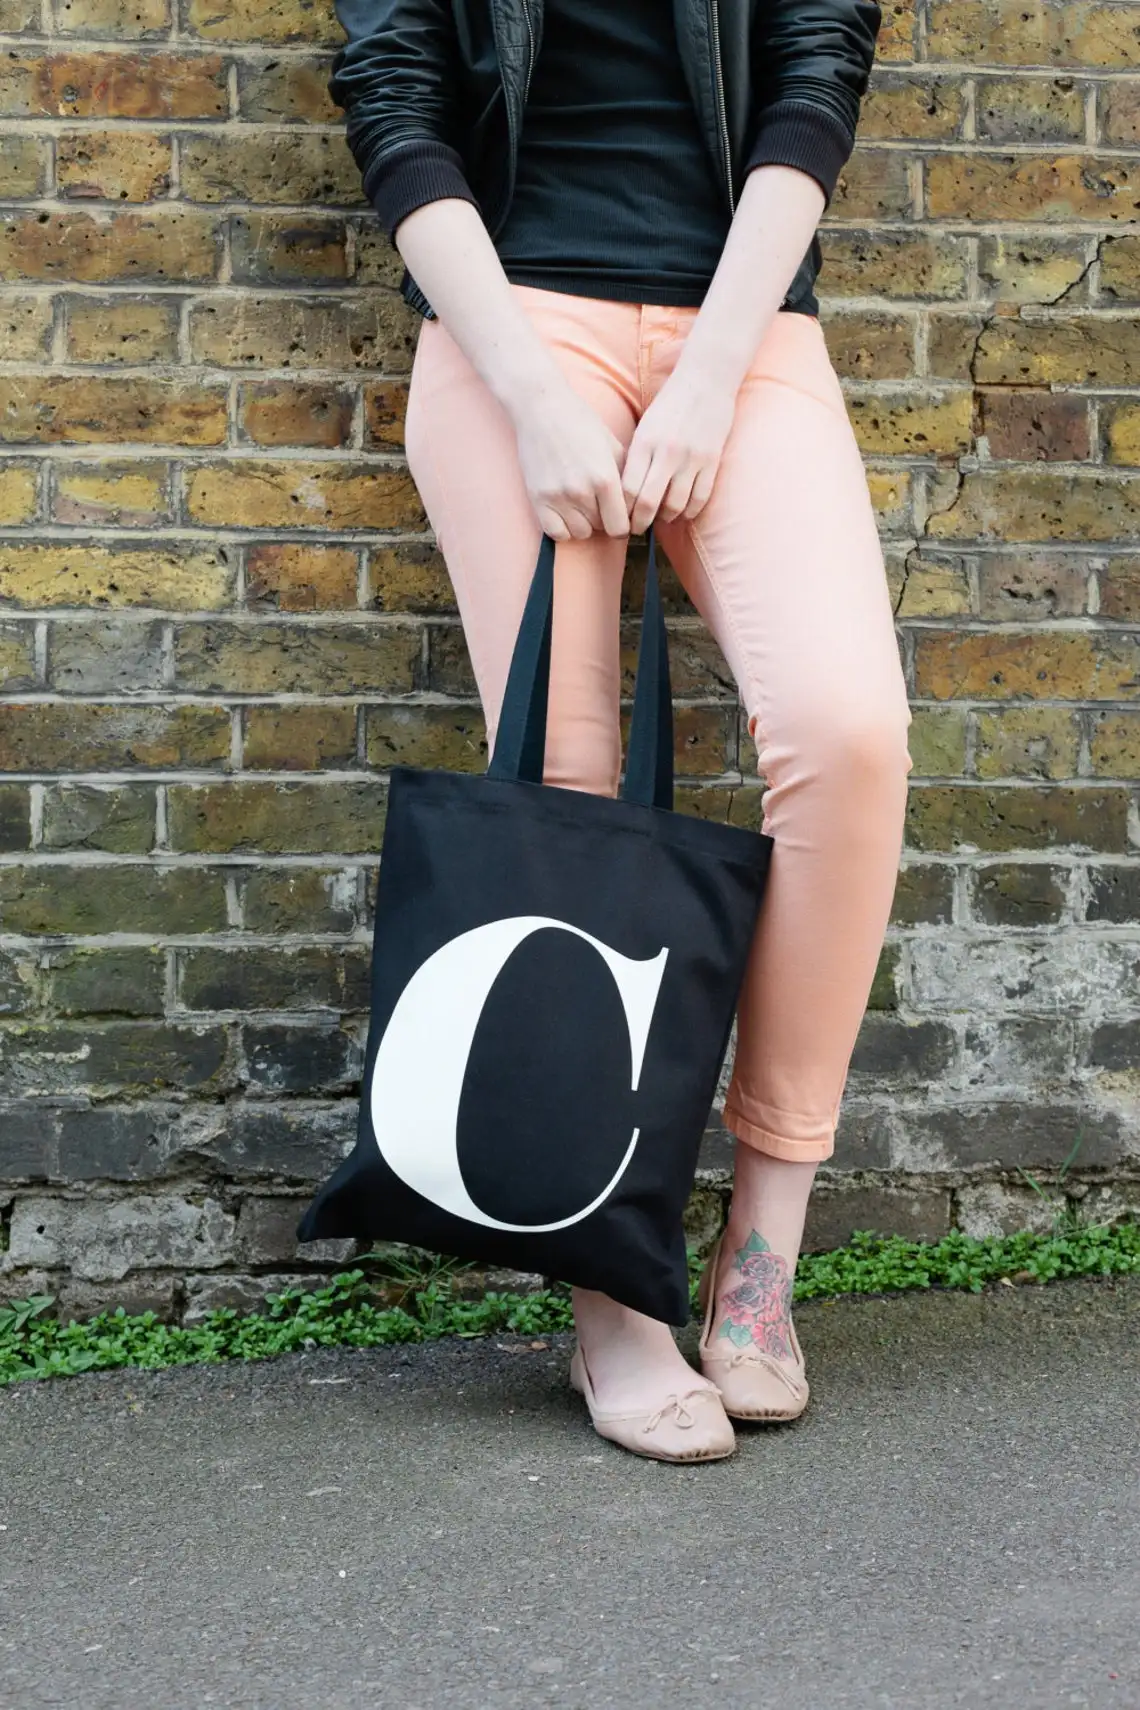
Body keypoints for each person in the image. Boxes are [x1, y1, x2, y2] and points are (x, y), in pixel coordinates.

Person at [332, 0, 912, 1462]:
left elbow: (816, 75)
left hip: (745, 331)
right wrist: (530, 391)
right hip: (513, 329)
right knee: (566, 780)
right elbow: (394, 100)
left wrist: (709, 377)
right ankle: (610, 1292)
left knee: (849, 734)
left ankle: (759, 1260)